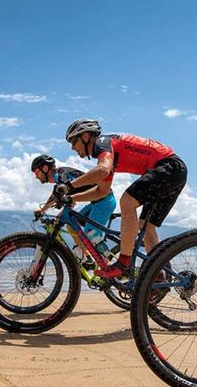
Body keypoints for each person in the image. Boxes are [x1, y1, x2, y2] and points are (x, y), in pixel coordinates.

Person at [61, 119, 187, 278]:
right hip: (174, 170)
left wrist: (69, 186)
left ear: (85, 136)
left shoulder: (102, 143)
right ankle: (160, 276)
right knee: (147, 227)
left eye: (73, 141)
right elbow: (102, 191)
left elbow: (102, 170)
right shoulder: (109, 154)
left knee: (127, 201)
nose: (73, 148)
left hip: (168, 167)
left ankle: (123, 264)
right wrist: (73, 198)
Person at [30, 154, 117, 270]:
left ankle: (108, 266)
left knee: (90, 233)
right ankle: (88, 258)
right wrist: (43, 210)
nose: (36, 176)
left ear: (45, 168)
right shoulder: (60, 178)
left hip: (104, 201)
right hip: (96, 203)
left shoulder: (62, 175)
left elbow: (69, 199)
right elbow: (56, 195)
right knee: (71, 225)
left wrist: (55, 212)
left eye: (36, 172)